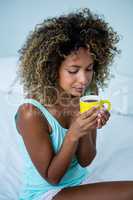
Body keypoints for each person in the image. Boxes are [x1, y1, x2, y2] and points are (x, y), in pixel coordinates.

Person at [15, 8, 133, 200]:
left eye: (89, 69)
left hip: (79, 184)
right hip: (46, 193)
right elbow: (52, 178)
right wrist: (73, 133)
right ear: (53, 69)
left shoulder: (88, 94)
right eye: (73, 70)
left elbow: (86, 160)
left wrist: (88, 126)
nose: (84, 79)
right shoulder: (31, 113)